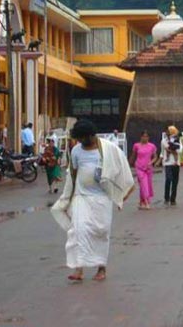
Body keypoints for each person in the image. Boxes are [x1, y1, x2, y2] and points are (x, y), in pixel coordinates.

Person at [51, 119, 134, 282]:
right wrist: (67, 197)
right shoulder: (76, 151)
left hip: (101, 199)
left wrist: (121, 195)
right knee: (78, 231)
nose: (81, 141)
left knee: (101, 233)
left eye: (83, 138)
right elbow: (73, 175)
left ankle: (101, 268)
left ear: (91, 135)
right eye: (79, 139)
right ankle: (78, 269)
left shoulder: (108, 150)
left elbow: (121, 169)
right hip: (81, 198)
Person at [130, 131, 157, 209]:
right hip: (139, 167)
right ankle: (146, 202)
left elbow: (155, 157)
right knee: (143, 183)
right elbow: (133, 156)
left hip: (148, 168)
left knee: (147, 185)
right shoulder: (136, 146)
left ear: (148, 137)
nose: (145, 138)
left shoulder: (152, 146)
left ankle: (142, 201)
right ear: (140, 137)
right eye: (143, 136)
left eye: (146, 136)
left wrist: (151, 162)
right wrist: (128, 164)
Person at [161, 125, 182, 206]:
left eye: (169, 131)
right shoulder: (164, 141)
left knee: (175, 181)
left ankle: (173, 198)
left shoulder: (178, 140)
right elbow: (165, 149)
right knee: (168, 179)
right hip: (168, 163)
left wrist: (173, 149)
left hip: (176, 163)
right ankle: (166, 197)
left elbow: (180, 150)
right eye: (167, 131)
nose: (167, 133)